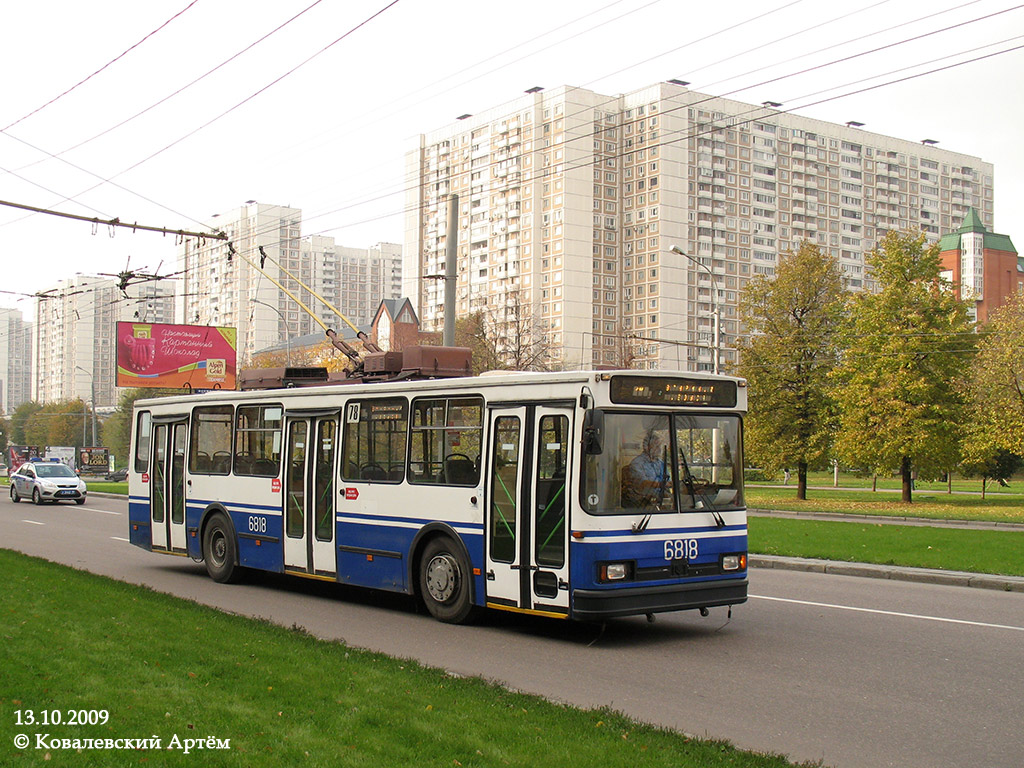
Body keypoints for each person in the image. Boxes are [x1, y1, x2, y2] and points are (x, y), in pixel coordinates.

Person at [622, 431, 669, 508]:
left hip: (661, 500)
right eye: (656, 446)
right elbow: (642, 483)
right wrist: (661, 485)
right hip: (643, 503)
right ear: (647, 447)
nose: (659, 449)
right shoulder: (637, 463)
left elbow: (668, 480)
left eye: (660, 446)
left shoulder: (660, 463)